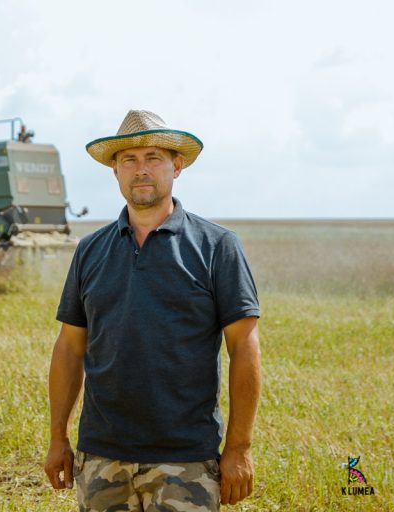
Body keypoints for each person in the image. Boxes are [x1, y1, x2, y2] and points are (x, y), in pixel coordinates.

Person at [44, 110, 261, 511]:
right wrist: (58, 437)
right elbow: (70, 348)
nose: (140, 170)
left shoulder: (217, 247)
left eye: (153, 158)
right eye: (129, 160)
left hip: (186, 459)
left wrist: (239, 447)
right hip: (101, 456)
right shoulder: (90, 250)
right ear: (115, 170)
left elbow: (244, 349)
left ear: (176, 166)